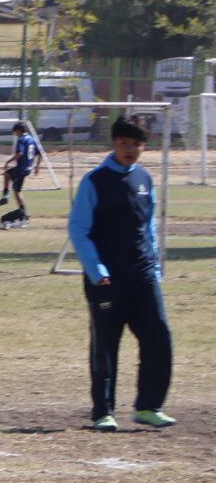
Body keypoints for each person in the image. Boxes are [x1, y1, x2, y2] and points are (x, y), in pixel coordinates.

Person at [69, 115, 177, 432]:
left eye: (136, 144)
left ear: (144, 145)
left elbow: (148, 228)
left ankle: (149, 406)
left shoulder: (144, 179)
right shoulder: (95, 180)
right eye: (123, 143)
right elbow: (79, 229)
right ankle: (103, 411)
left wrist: (154, 266)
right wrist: (96, 269)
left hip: (142, 275)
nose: (130, 150)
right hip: (106, 279)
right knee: (105, 346)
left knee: (159, 337)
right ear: (114, 144)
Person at [4, 121, 43, 221]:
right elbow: (40, 154)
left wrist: (8, 161)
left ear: (19, 131)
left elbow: (19, 153)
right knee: (16, 187)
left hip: (21, 169)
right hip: (28, 168)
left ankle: (6, 196)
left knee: (14, 186)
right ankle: (22, 211)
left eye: (16, 132)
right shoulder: (32, 139)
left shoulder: (21, 139)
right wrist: (37, 166)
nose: (15, 134)